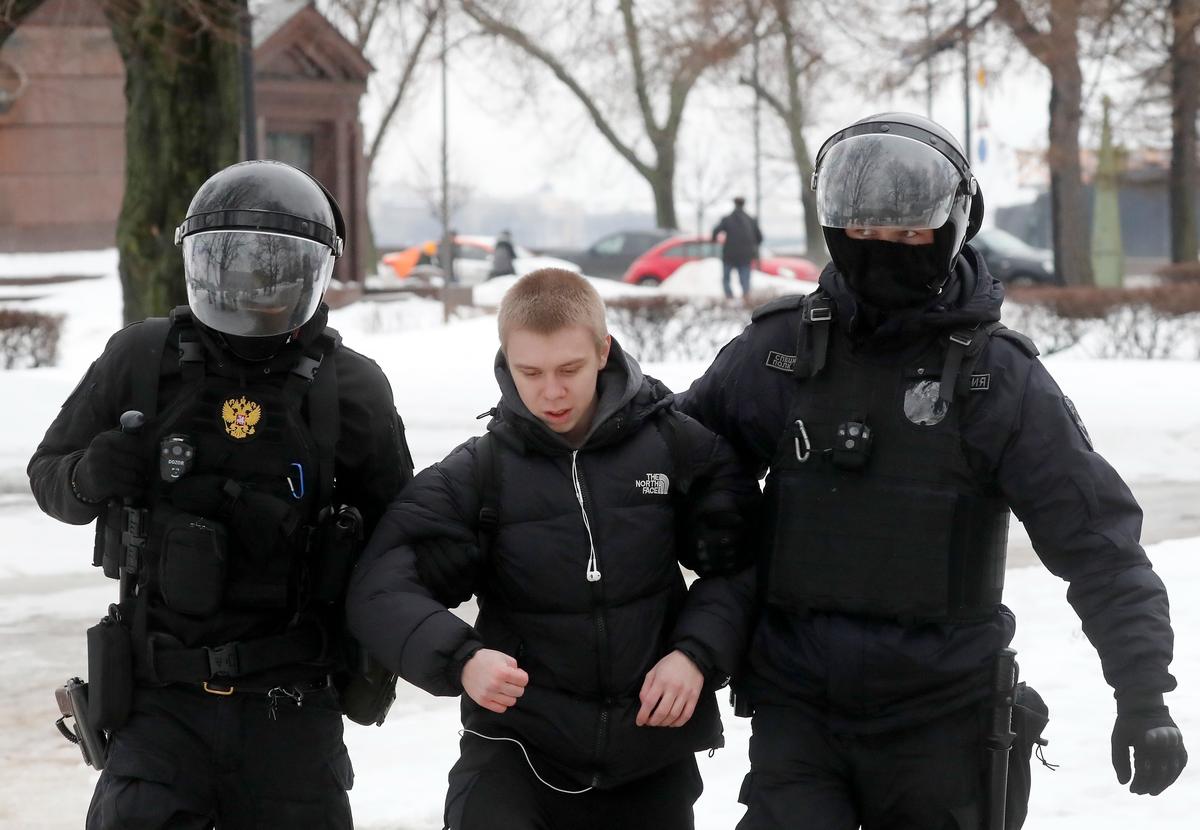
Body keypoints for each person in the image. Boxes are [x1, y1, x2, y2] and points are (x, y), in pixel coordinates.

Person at [675, 113, 1187, 829]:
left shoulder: (995, 379)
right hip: (799, 712)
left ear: (953, 226)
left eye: (908, 236)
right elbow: (668, 456)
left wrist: (1142, 695)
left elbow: (1098, 542)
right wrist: (716, 503)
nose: (884, 253)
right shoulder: (781, 353)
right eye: (866, 235)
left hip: (942, 720)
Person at [29, 159, 414, 828]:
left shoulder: (348, 388)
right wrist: (90, 475)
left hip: (292, 713)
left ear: (308, 273)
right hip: (159, 710)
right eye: (234, 265)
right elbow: (48, 479)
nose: (250, 285)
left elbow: (404, 541)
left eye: (271, 270)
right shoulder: (144, 359)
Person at [346, 268, 759, 830]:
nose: (551, 392)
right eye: (530, 373)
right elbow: (380, 585)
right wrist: (461, 659)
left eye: (570, 369)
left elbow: (746, 562)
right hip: (515, 752)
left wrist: (696, 654)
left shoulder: (675, 446)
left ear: (603, 350)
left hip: (648, 755)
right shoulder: (479, 471)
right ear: (505, 362)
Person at [712, 196, 764, 302]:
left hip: (729, 254)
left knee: (726, 278)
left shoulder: (727, 219)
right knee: (744, 279)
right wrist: (753, 246)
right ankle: (746, 297)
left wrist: (714, 240)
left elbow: (716, 231)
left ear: (734, 204)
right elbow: (760, 237)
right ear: (743, 204)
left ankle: (729, 297)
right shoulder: (751, 220)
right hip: (745, 255)